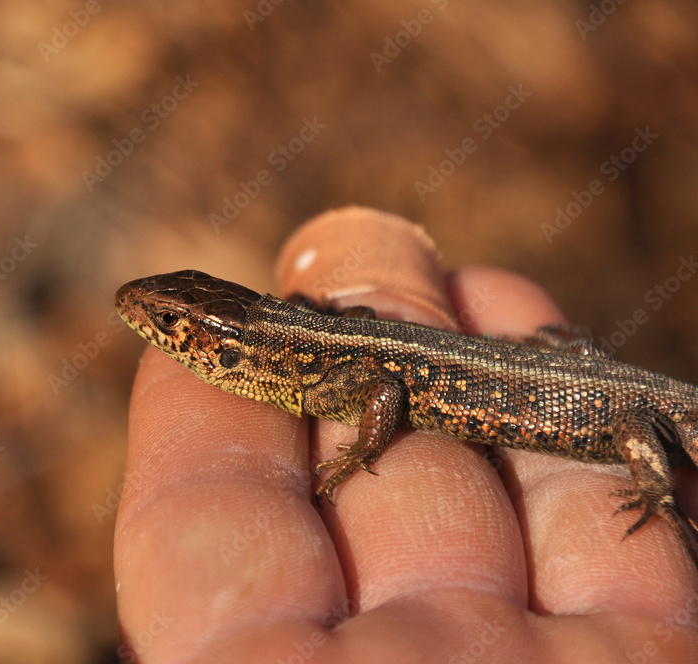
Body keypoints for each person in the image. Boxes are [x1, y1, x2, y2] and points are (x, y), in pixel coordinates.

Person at [113, 208, 698, 662]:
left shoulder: (326, 368)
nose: (149, 320)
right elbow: (366, 336)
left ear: (227, 345)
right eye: (169, 317)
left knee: (633, 428)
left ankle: (660, 491)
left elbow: (386, 392)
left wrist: (363, 452)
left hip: (626, 409)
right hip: (592, 390)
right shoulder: (321, 356)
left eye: (169, 321)